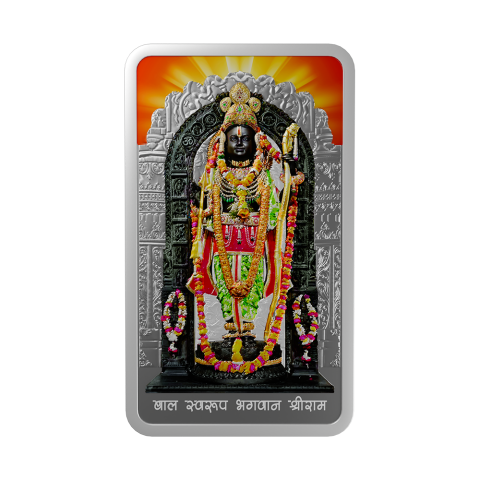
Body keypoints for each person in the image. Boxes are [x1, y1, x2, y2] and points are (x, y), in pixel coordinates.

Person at [187, 82, 302, 373]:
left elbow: (275, 209)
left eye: (245, 138)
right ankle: (230, 332)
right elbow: (206, 210)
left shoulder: (262, 177)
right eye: (234, 138)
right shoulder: (215, 176)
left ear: (256, 142)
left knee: (254, 284)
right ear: (222, 142)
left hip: (254, 243)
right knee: (225, 284)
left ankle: (248, 333)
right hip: (224, 242)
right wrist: (203, 210)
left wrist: (287, 183)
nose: (239, 143)